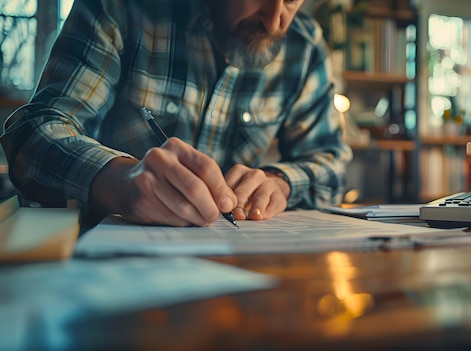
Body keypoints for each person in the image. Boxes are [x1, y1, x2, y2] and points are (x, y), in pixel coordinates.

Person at [0, 0, 352, 227]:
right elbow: (32, 132)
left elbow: (332, 162)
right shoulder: (121, 8)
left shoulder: (304, 47)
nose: (276, 22)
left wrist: (279, 182)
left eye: (291, 0)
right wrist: (119, 181)